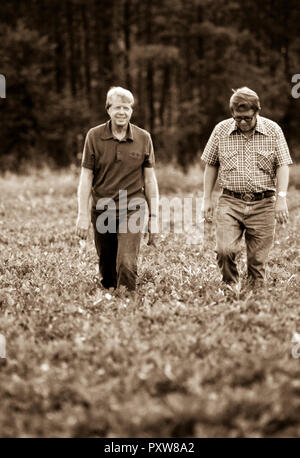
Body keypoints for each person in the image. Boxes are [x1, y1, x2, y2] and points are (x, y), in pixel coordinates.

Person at [201, 87, 292, 286]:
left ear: (257, 112)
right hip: (230, 201)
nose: (242, 122)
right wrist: (206, 198)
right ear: (232, 114)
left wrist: (282, 198)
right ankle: (231, 289)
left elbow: (283, 165)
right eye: (238, 118)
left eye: (247, 118)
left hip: (264, 203)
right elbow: (211, 164)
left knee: (257, 263)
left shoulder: (273, 130)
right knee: (225, 251)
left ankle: (255, 303)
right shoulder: (220, 130)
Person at [76, 86, 159, 291]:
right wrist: (82, 214)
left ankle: (128, 308)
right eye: (117, 107)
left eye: (127, 107)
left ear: (132, 110)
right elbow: (86, 177)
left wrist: (154, 218)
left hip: (132, 208)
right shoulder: (94, 136)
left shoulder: (144, 138)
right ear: (108, 110)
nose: (122, 112)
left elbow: (150, 180)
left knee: (127, 264)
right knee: (107, 270)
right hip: (102, 210)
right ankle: (111, 310)